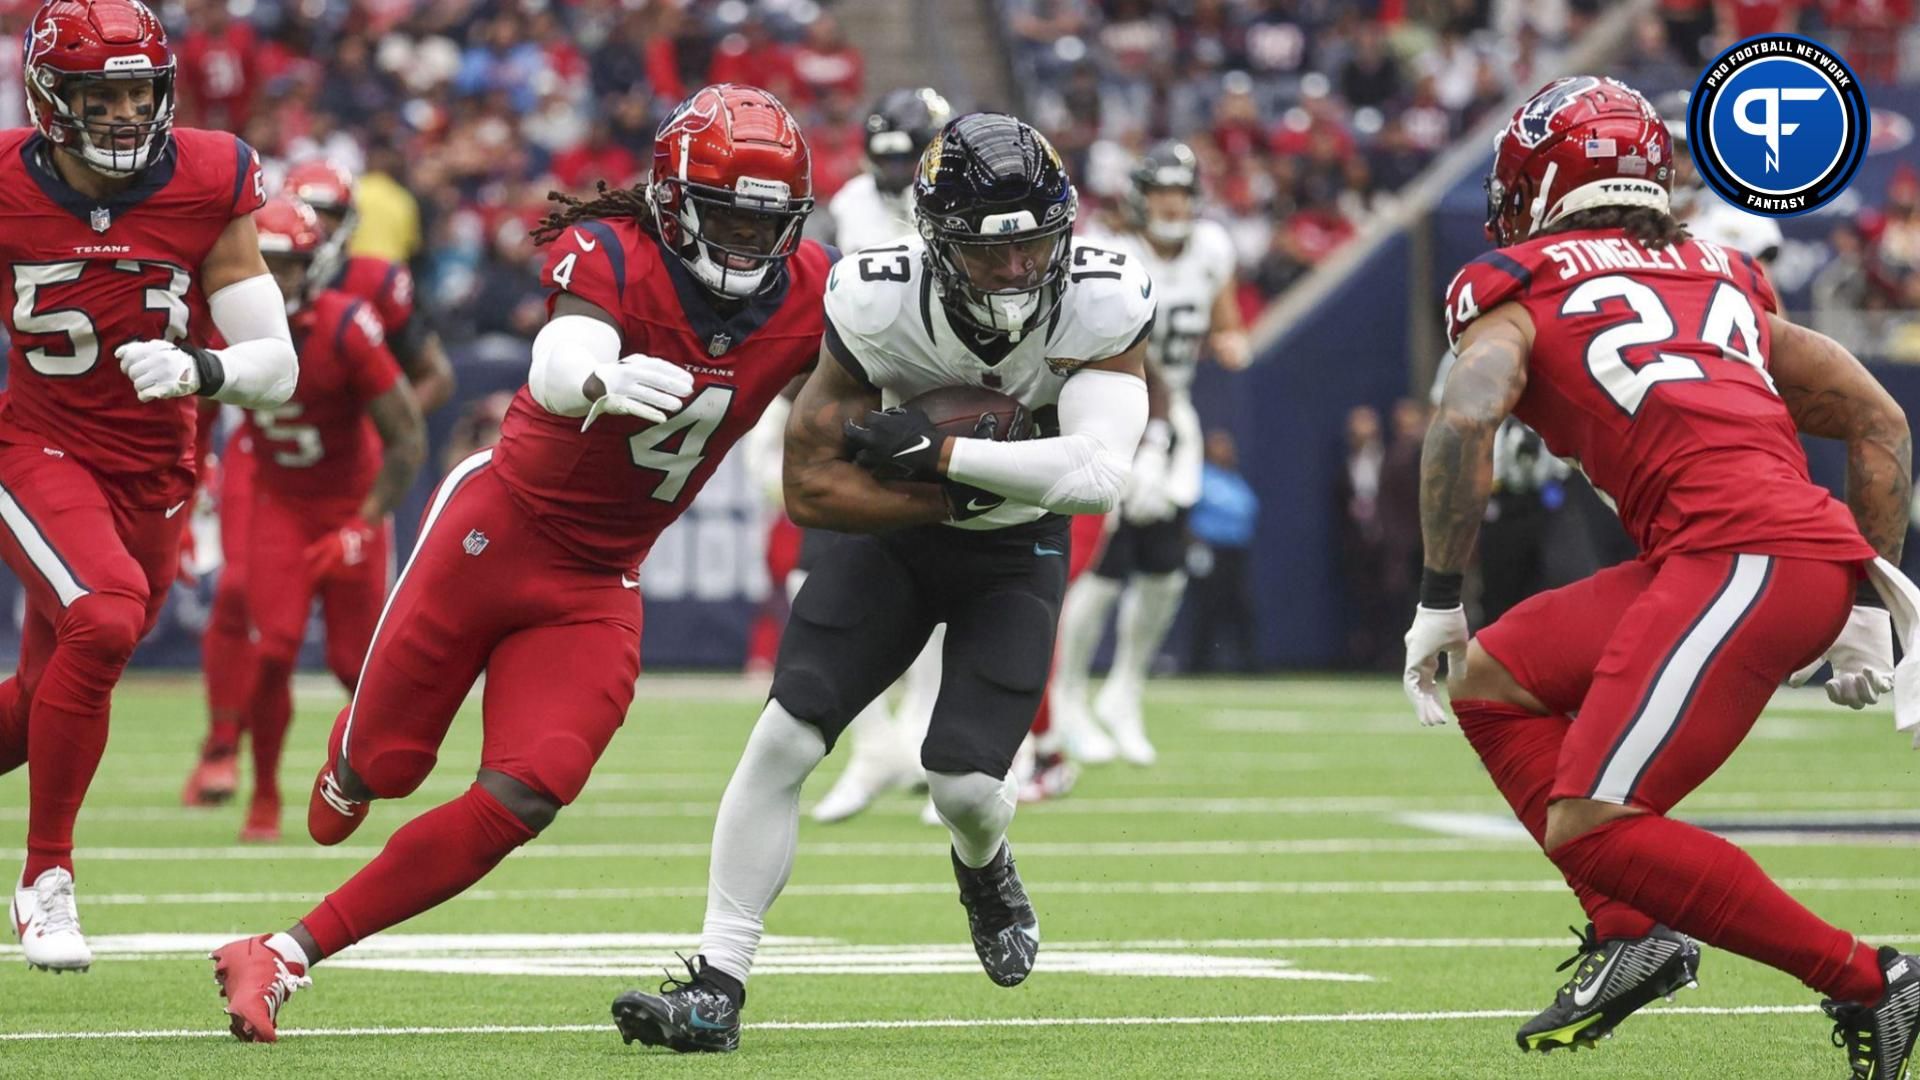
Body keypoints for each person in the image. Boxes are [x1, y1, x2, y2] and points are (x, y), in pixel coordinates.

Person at [207, 83, 832, 1041]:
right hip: (495, 534)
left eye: (766, 226)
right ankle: (353, 753)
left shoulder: (812, 289)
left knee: (527, 791)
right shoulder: (615, 252)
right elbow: (559, 351)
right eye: (724, 221)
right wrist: (599, 378)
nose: (746, 249)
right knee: (379, 773)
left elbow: (885, 356)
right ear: (672, 201)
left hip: (599, 580)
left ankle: (284, 953)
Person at [1403, 76, 1920, 1073]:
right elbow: (1879, 418)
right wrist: (1865, 598)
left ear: (1548, 181)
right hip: (1755, 553)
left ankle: (1869, 979)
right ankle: (1631, 932)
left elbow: (1466, 417)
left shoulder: (1517, 279)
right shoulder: (1721, 272)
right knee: (1492, 681)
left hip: (1745, 557)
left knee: (1593, 822)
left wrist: (1437, 595)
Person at [610, 112, 1154, 1054]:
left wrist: (942, 456)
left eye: (1034, 246)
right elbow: (810, 485)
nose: (1020, 273)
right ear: (937, 247)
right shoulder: (877, 297)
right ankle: (717, 983)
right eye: (993, 255)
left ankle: (984, 867)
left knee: (963, 785)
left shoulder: (1102, 299)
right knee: (782, 738)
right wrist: (944, 493)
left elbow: (1102, 473)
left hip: (1017, 550)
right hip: (898, 538)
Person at [0, 0, 295, 973]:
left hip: (159, 474)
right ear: (51, 98)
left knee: (44, 695)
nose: (126, 113)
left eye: (139, 92)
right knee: (108, 615)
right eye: (102, 93)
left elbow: (273, 363)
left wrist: (206, 372)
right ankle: (47, 881)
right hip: (37, 448)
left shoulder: (210, 178)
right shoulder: (8, 181)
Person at [183, 155, 455, 807]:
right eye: (311, 214)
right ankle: (224, 747)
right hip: (266, 451)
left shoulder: (369, 290)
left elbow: (429, 383)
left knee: (352, 656)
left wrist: (365, 405)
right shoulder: (238, 282)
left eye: (331, 218)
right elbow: (196, 404)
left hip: (347, 452)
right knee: (243, 597)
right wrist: (189, 477)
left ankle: (367, 760)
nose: (317, 229)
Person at [228, 197, 425, 842]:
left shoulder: (345, 325)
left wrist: (362, 523)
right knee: (271, 650)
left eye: (291, 266)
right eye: (268, 265)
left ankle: (356, 783)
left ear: (315, 267)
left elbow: (407, 438)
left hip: (347, 502)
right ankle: (262, 794)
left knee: (355, 666)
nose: (279, 281)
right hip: (279, 502)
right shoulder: (223, 320)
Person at [1052, 139, 1247, 766]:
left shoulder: (1214, 248)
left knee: (1164, 564)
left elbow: (1224, 318)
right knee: (1104, 562)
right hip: (1110, 410)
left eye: (1183, 193)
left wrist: (1230, 337)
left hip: (1174, 415)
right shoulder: (1111, 253)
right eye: (1162, 192)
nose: (1173, 204)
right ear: (1139, 197)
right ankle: (1068, 696)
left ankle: (1125, 690)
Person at [803, 85, 953, 824]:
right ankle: (873, 747)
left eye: (908, 157)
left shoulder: (965, 201)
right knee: (821, 569)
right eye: (884, 159)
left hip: (949, 405)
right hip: (863, 405)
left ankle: (926, 737)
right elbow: (816, 302)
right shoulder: (850, 206)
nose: (894, 174)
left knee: (942, 577)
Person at [1186, 429, 1259, 672]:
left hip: (1236, 553)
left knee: (1241, 607)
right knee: (1208, 607)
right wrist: (1195, 546)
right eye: (1218, 446)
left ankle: (1249, 664)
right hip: (1210, 552)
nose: (1224, 451)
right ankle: (1200, 665)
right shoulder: (1200, 477)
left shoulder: (1235, 480)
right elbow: (1186, 514)